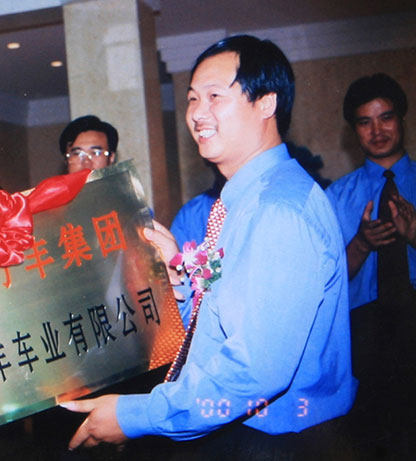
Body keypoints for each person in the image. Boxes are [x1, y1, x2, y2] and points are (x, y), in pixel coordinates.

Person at [62, 35, 356, 458]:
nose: (197, 113)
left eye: (215, 96)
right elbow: (221, 328)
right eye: (192, 98)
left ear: (266, 103)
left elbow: (255, 368)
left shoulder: (277, 210)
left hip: (272, 441)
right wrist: (178, 279)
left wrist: (137, 416)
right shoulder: (246, 201)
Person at [325, 73, 416, 456]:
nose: (377, 131)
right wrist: (362, 243)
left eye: (386, 118)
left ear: (402, 119)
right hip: (366, 338)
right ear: (354, 130)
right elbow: (325, 284)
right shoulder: (335, 197)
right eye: (365, 122)